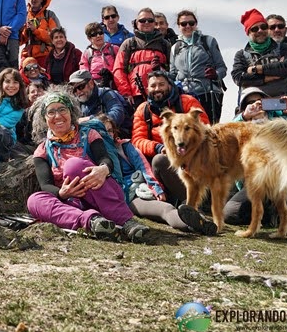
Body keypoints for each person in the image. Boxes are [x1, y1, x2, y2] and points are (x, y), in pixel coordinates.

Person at [26, 90, 148, 241]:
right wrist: (62, 193)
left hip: (102, 193)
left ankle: (126, 222)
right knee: (34, 200)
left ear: (71, 113)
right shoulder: (42, 150)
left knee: (73, 166)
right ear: (45, 118)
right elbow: (46, 185)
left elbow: (105, 159)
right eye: (51, 112)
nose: (57, 116)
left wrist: (103, 169)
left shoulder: (88, 134)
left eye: (62, 109)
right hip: (72, 202)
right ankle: (92, 221)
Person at [97, 115, 215, 235]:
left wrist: (156, 188)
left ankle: (198, 214)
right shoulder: (94, 155)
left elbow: (143, 166)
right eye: (103, 131)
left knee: (160, 162)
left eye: (110, 130)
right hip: (131, 197)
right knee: (165, 210)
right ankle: (196, 224)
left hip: (147, 185)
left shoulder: (124, 147)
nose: (108, 134)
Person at [223, 87, 287, 229]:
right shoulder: (241, 131)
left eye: (261, 101)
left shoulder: (281, 127)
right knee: (230, 213)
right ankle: (269, 217)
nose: (257, 104)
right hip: (255, 185)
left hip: (284, 179)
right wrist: (244, 117)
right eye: (251, 102)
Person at [132, 71, 208, 205]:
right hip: (163, 161)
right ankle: (186, 202)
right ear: (147, 89)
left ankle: (195, 201)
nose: (157, 89)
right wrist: (158, 147)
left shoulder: (187, 102)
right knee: (159, 160)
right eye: (153, 85)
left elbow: (204, 130)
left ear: (170, 85)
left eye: (161, 84)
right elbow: (137, 140)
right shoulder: (142, 110)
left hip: (191, 158)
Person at [168, 10, 227, 123]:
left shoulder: (208, 41)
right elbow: (173, 74)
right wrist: (159, 73)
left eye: (191, 23)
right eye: (183, 24)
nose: (188, 26)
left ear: (196, 24)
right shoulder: (175, 48)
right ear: (178, 26)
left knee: (210, 131)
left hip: (208, 93)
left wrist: (216, 75)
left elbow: (222, 68)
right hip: (185, 96)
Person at [231, 8, 287, 100]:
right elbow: (239, 78)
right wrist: (266, 78)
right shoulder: (241, 55)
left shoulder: (284, 48)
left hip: (285, 105)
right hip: (254, 107)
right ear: (248, 33)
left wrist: (256, 69)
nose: (260, 30)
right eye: (254, 29)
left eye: (263, 27)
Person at [112, 7, 171, 107]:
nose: (146, 22)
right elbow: (119, 70)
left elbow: (172, 69)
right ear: (136, 23)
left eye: (150, 20)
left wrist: (161, 72)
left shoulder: (164, 44)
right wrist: (126, 93)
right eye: (142, 20)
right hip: (136, 96)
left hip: (161, 94)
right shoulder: (129, 43)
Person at [70, 70, 132, 139]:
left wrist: (91, 119)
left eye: (80, 87)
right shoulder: (79, 104)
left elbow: (117, 115)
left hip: (118, 136)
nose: (78, 92)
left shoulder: (106, 94)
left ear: (91, 83)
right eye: (74, 90)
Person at [19, 0, 60, 68]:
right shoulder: (23, 15)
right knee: (22, 78)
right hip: (27, 56)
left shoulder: (49, 15)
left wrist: (35, 30)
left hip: (45, 55)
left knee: (45, 79)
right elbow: (19, 41)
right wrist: (24, 31)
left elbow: (56, 38)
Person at [79, 22, 118, 89]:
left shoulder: (114, 49)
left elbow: (121, 69)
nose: (98, 36)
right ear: (89, 38)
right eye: (94, 34)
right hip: (95, 87)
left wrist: (110, 74)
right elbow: (84, 74)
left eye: (100, 33)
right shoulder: (87, 54)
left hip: (114, 85)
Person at [16, 80, 48, 145]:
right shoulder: (25, 113)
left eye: (39, 91)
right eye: (32, 92)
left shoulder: (52, 109)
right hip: (30, 145)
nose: (36, 93)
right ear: (28, 96)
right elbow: (19, 132)